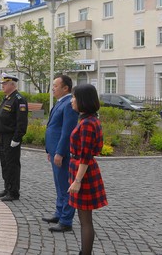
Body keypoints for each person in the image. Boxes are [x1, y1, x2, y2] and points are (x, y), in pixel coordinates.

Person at [68, 84, 108, 255]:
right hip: (82, 169)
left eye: (74, 97)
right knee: (84, 219)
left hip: (83, 171)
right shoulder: (88, 120)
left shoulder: (87, 124)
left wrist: (77, 180)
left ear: (83, 100)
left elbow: (85, 154)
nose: (71, 100)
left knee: (85, 221)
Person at [44, 75, 79, 232]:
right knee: (59, 185)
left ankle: (66, 220)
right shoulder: (61, 102)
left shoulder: (69, 104)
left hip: (62, 152)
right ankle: (59, 213)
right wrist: (50, 150)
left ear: (65, 88)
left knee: (65, 185)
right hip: (54, 150)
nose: (53, 88)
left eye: (55, 85)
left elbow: (66, 132)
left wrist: (59, 152)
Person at [0, 73, 28, 201]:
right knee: (5, 164)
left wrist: (17, 138)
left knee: (12, 165)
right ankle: (7, 187)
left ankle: (13, 192)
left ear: (12, 84)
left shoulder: (19, 99)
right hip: (3, 137)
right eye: (2, 84)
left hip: (11, 137)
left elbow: (21, 122)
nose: (2, 86)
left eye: (5, 84)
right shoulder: (7, 98)